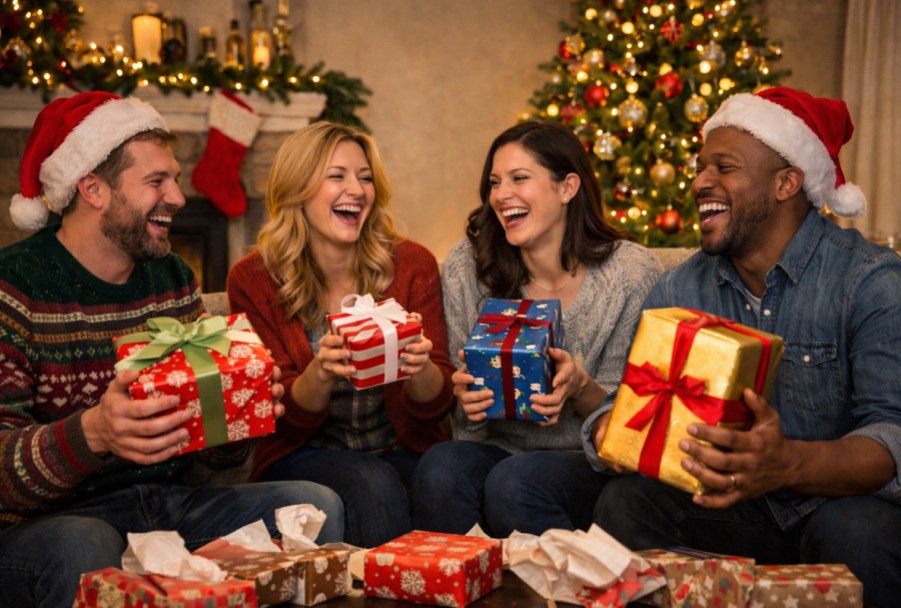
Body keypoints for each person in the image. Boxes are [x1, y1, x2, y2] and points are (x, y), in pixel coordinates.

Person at [0, 92, 344, 608]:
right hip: (57, 520)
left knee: (313, 504)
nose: (178, 198)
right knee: (83, 544)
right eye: (157, 181)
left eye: (176, 180)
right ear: (92, 189)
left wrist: (239, 410)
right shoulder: (15, 287)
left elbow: (210, 447)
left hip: (171, 502)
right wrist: (93, 432)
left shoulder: (171, 277)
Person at [583, 87, 901, 608]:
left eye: (724, 167)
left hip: (836, 506)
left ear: (786, 182)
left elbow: (898, 439)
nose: (698, 182)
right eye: (699, 167)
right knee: (624, 503)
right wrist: (611, 426)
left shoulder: (871, 283)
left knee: (859, 534)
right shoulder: (677, 290)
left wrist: (788, 463)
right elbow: (632, 397)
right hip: (728, 509)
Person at [411, 121, 661, 537]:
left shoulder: (629, 274)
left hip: (586, 461)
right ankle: (456, 587)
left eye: (519, 178)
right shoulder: (468, 267)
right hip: (497, 447)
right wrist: (467, 398)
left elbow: (629, 427)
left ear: (567, 188)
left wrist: (580, 388)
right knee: (440, 467)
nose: (500, 195)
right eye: (494, 182)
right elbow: (467, 427)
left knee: (516, 480)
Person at [227, 121, 455, 548]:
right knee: (371, 480)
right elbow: (276, 416)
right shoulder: (254, 279)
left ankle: (446, 580)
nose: (357, 189)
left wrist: (419, 367)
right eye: (338, 176)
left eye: (365, 177)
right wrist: (322, 372)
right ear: (299, 189)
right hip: (301, 453)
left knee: (447, 471)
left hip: (400, 445)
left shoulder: (411, 264)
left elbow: (437, 406)